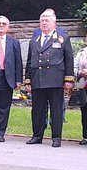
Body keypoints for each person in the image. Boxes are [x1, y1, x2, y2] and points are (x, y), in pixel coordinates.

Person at [24, 10, 74, 147]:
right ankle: (37, 135)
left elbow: (69, 60)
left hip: (55, 79)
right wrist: (28, 80)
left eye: (47, 20)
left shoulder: (62, 38)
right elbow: (30, 61)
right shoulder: (35, 39)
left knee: (56, 110)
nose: (44, 23)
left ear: (54, 23)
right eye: (42, 21)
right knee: (38, 110)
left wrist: (69, 79)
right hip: (37, 79)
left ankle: (56, 137)